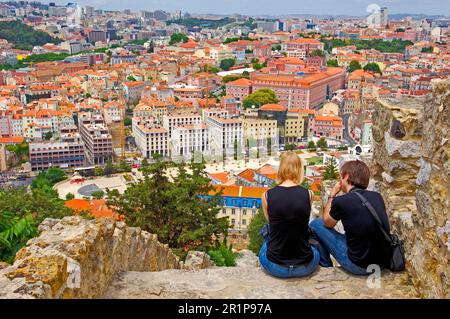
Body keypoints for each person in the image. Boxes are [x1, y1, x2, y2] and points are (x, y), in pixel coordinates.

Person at [309, 160, 392, 275]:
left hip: (359, 265)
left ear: (346, 177)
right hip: (382, 262)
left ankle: (326, 268)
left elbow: (327, 222)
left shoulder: (342, 201)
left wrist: (332, 195)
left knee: (315, 224)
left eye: (341, 177)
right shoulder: (377, 197)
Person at [258, 151, 320, 278]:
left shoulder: (267, 195)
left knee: (267, 232)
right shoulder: (309, 194)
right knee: (315, 247)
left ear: (281, 169)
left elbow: (272, 223)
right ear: (298, 169)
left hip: (276, 267)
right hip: (304, 267)